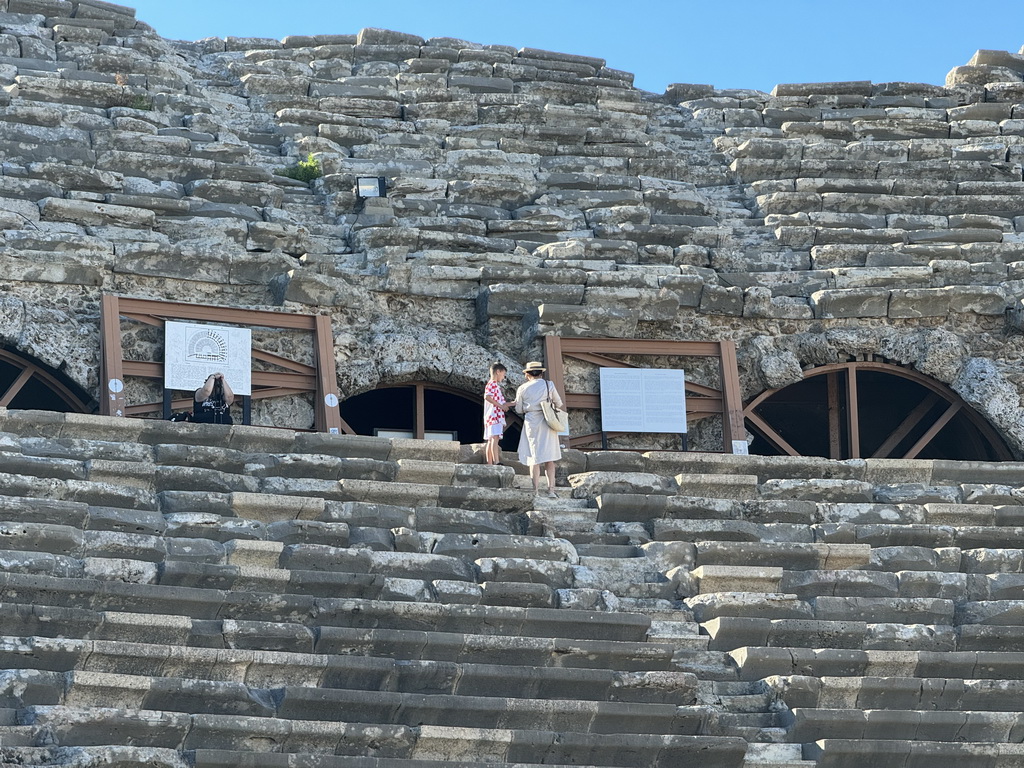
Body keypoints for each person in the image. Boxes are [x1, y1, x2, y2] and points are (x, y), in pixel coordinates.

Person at [514, 361, 563, 497]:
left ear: (527, 374)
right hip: (547, 421)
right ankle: (551, 490)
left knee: (533, 457)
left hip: (532, 422)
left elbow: (518, 409)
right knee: (550, 457)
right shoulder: (549, 385)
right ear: (541, 372)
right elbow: (559, 403)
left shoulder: (522, 388)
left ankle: (535, 490)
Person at [483, 362, 513, 465]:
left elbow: (501, 403)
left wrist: (513, 403)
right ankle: (496, 461)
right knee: (494, 438)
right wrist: (501, 406)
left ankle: (490, 463)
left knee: (491, 439)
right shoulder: (492, 384)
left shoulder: (495, 386)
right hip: (494, 415)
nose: (504, 377)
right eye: (503, 374)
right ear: (498, 371)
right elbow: (487, 397)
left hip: (493, 415)